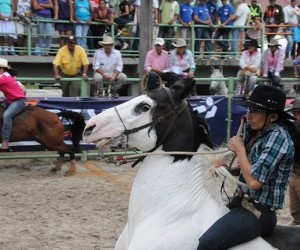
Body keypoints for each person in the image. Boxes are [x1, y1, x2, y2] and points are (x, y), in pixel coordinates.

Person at [197, 84, 299, 250]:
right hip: (242, 202)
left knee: (208, 244)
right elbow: (251, 167)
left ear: (272, 116)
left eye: (255, 111)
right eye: (249, 110)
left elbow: (254, 182)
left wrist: (240, 149)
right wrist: (228, 170)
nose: (248, 116)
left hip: (259, 212)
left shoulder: (278, 138)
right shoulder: (262, 134)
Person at [0, 58, 26, 150]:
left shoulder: (4, 77)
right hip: (11, 100)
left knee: (6, 116)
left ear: (1, 69)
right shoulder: (6, 76)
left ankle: (5, 141)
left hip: (18, 101)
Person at [289, 97, 300, 225]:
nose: (294, 116)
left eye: (296, 113)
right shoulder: (294, 129)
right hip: (295, 172)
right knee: (296, 211)